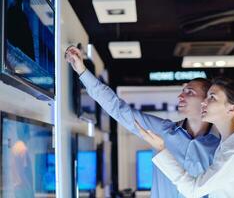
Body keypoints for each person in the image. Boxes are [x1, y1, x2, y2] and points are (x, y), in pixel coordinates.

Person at [65, 46, 220, 198]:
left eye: (189, 92)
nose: (180, 96)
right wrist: (82, 71)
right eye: (182, 91)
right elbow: (118, 109)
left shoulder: (220, 145)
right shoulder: (163, 130)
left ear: (206, 101)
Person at [135, 78, 234, 197]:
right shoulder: (231, 143)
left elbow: (193, 190)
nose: (204, 102)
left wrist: (162, 150)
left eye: (212, 98)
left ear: (231, 109)